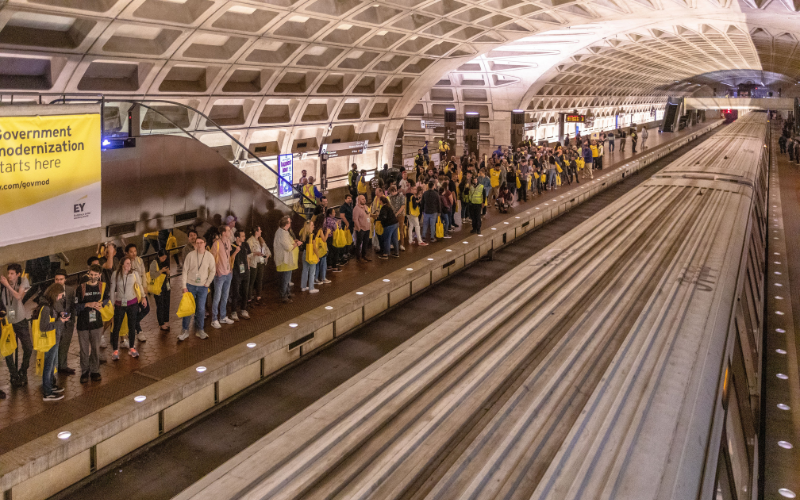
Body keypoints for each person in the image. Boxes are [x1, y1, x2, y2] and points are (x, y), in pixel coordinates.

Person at [75, 265, 109, 383]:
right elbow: (75, 306)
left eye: (96, 275)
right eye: (91, 274)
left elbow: (106, 298)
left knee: (95, 347)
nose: (93, 277)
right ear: (88, 274)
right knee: (84, 349)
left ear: (99, 275)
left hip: (97, 323)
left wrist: (102, 304)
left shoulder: (102, 286)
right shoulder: (81, 288)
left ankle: (95, 370)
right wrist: (87, 305)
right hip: (83, 323)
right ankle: (84, 371)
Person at [1, 264, 33, 388]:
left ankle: (23, 370)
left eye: (12, 274)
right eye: (8, 273)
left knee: (28, 347)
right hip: (7, 321)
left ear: (18, 274)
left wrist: (7, 285)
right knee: (8, 349)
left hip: (20, 319)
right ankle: (13, 375)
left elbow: (18, 297)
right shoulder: (2, 284)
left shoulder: (23, 281)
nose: (9, 276)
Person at [37, 283, 68, 401]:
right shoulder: (45, 307)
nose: (60, 298)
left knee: (51, 364)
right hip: (50, 340)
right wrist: (60, 321)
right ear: (55, 294)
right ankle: (47, 392)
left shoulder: (49, 304)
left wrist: (60, 315)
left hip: (54, 338)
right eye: (60, 295)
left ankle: (50, 386)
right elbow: (43, 327)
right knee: (48, 365)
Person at [181, 236, 216, 339]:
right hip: (190, 285)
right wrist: (184, 286)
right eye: (197, 243)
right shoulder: (190, 255)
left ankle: (200, 330)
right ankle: (185, 330)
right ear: (195, 244)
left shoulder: (209, 256)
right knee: (188, 309)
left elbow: (213, 270)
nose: (199, 244)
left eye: (201, 242)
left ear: (205, 243)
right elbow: (184, 271)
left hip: (202, 287)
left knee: (201, 309)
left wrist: (208, 283)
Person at [109, 256, 144, 360]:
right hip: (120, 304)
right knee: (116, 327)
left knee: (132, 326)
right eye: (127, 263)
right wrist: (112, 303)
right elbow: (112, 289)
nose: (129, 265)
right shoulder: (116, 274)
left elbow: (140, 285)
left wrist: (143, 297)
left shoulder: (134, 274)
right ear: (122, 264)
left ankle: (132, 348)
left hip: (132, 303)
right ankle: (115, 350)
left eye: (130, 263)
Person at [210, 225, 234, 329]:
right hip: (220, 274)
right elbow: (211, 258)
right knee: (217, 297)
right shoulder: (216, 244)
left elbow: (228, 254)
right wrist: (216, 270)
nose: (230, 232)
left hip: (228, 273)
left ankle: (223, 316)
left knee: (225, 296)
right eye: (228, 230)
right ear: (223, 232)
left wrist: (230, 269)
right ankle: (214, 319)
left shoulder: (228, 242)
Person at [53, 269, 77, 375]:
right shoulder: (50, 291)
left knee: (65, 344)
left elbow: (73, 305)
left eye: (61, 279)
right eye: (56, 279)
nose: (59, 281)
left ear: (65, 280)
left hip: (68, 322)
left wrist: (72, 318)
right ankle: (54, 367)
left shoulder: (70, 290)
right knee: (55, 345)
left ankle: (63, 366)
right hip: (56, 322)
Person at [125, 244, 149, 343]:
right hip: (131, 292)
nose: (134, 253)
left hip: (140, 290)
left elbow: (143, 274)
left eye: (135, 251)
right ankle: (139, 331)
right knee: (134, 311)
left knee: (146, 309)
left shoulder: (140, 260)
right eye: (131, 251)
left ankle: (133, 324)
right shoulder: (125, 263)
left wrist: (145, 286)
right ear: (127, 253)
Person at [274, 216, 301, 303]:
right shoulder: (281, 233)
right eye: (290, 222)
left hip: (288, 260)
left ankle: (287, 292)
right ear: (286, 224)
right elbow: (288, 247)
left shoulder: (284, 232)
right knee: (285, 279)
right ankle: (283, 296)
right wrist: (297, 244)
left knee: (287, 278)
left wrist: (294, 242)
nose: (291, 223)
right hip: (284, 260)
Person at [230, 229, 251, 321]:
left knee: (245, 291)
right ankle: (233, 312)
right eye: (242, 236)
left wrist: (248, 267)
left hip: (245, 271)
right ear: (237, 237)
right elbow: (230, 259)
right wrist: (236, 251)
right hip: (236, 272)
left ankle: (243, 309)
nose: (244, 237)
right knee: (235, 292)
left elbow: (247, 256)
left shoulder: (246, 245)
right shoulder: (232, 246)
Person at [247, 227, 270, 302]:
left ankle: (258, 296)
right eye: (260, 230)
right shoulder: (250, 241)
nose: (261, 231)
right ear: (256, 231)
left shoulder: (261, 239)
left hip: (261, 262)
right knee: (252, 280)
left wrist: (267, 254)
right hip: (254, 263)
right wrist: (255, 253)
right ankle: (249, 297)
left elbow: (267, 249)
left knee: (260, 279)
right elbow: (247, 253)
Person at [150, 250, 171, 332]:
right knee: (160, 304)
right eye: (163, 257)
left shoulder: (166, 262)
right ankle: (161, 323)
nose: (164, 259)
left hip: (166, 285)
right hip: (158, 287)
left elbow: (168, 275)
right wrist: (161, 271)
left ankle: (166, 321)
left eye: (165, 257)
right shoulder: (154, 263)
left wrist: (168, 272)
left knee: (166, 303)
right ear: (158, 256)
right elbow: (152, 275)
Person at [299, 220, 319, 293]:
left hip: (304, 253)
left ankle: (303, 286)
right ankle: (311, 288)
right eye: (312, 225)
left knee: (305, 270)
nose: (313, 226)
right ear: (309, 227)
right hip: (311, 254)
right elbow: (314, 247)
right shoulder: (311, 235)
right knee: (312, 271)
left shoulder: (302, 234)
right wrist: (317, 256)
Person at [353, 195, 372, 261]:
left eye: (364, 199)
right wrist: (359, 228)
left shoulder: (366, 207)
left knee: (366, 242)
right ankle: (358, 257)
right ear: (359, 200)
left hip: (367, 228)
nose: (364, 200)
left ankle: (364, 255)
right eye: (362, 199)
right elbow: (355, 219)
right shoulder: (356, 209)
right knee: (359, 243)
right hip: (361, 229)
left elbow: (368, 215)